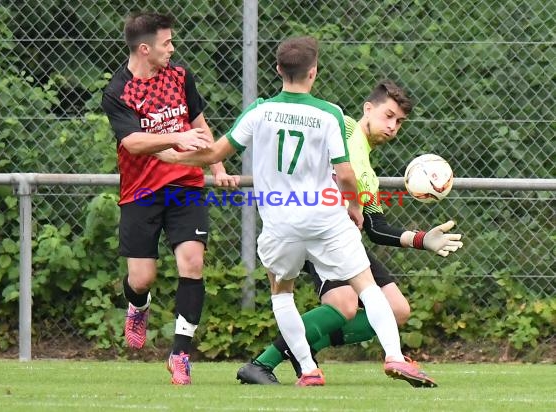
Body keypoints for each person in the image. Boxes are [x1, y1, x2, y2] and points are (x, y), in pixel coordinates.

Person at [162, 36, 437, 387]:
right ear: (314, 72)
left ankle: (309, 370)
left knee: (283, 292)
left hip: (281, 223)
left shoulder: (259, 111)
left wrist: (168, 154)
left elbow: (215, 153)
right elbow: (345, 172)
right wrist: (354, 205)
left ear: (278, 70)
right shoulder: (329, 113)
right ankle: (395, 357)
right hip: (325, 217)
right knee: (367, 286)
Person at [236, 80, 463, 387]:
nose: (393, 126)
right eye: (388, 115)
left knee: (397, 309)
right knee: (343, 303)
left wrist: (424, 239)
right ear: (368, 109)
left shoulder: (367, 175)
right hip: (315, 226)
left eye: (399, 122)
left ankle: (303, 346)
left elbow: (376, 229)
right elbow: (306, 116)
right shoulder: (344, 126)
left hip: (343, 236)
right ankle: (266, 361)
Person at [101, 12, 238, 386]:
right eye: (167, 43)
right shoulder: (118, 91)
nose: (172, 49)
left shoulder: (179, 75)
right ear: (144, 49)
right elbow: (133, 142)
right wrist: (174, 139)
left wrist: (217, 167)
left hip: (185, 186)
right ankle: (138, 304)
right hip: (141, 192)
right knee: (142, 278)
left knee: (192, 262)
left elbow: (198, 123)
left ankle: (180, 353)